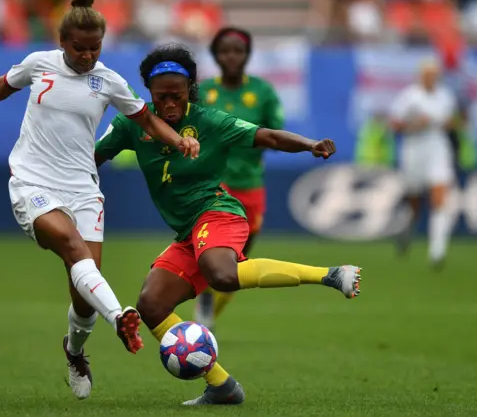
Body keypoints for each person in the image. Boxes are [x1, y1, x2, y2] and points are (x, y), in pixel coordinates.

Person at [0, 0, 199, 401]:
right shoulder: (39, 64)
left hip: (83, 189)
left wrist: (179, 139)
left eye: (96, 47)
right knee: (77, 252)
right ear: (62, 41)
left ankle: (74, 352)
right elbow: (0, 88)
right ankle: (121, 317)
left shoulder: (108, 80)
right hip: (33, 181)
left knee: (83, 298)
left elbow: (146, 118)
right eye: (80, 47)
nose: (88, 55)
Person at [95, 44, 362, 406]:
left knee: (221, 273)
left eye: (177, 95)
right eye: (161, 97)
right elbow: (94, 155)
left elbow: (266, 135)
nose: (170, 104)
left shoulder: (210, 122)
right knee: (151, 304)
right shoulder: (132, 124)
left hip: (219, 212)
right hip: (187, 231)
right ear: (149, 94)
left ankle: (331, 274)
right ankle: (222, 387)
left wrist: (310, 144)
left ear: (190, 89)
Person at [194, 27, 284, 331]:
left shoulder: (263, 91)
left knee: (239, 263)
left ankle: (207, 320)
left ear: (247, 55)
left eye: (237, 51)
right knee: (212, 251)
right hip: (215, 184)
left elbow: (276, 132)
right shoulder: (204, 92)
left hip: (251, 184)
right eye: (224, 51)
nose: (231, 57)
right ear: (216, 56)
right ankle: (203, 303)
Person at [390, 58, 457, 269]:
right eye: (427, 74)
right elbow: (395, 125)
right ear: (420, 76)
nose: (431, 78)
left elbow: (452, 122)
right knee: (415, 202)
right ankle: (407, 231)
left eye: (434, 74)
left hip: (437, 148)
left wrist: (449, 124)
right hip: (414, 150)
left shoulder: (446, 96)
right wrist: (415, 124)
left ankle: (437, 250)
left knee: (439, 198)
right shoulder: (408, 97)